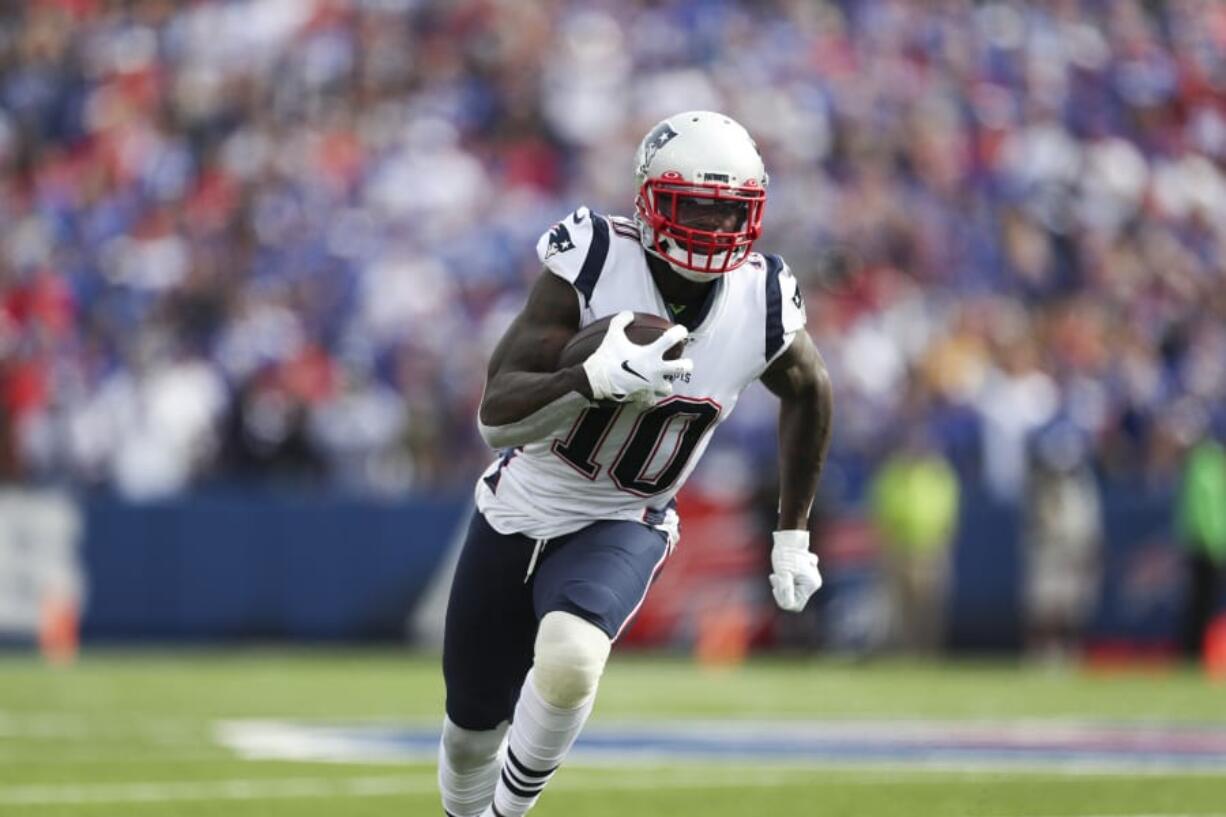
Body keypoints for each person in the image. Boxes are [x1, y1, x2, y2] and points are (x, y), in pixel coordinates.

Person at [437, 111, 834, 817]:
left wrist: (792, 531)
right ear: (650, 200)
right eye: (695, 205)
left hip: (625, 516)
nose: (713, 226)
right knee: (471, 730)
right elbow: (496, 413)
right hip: (520, 504)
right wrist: (585, 379)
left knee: (570, 657)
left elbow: (809, 388)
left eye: (729, 209)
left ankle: (507, 813)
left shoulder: (762, 296)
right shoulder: (593, 258)